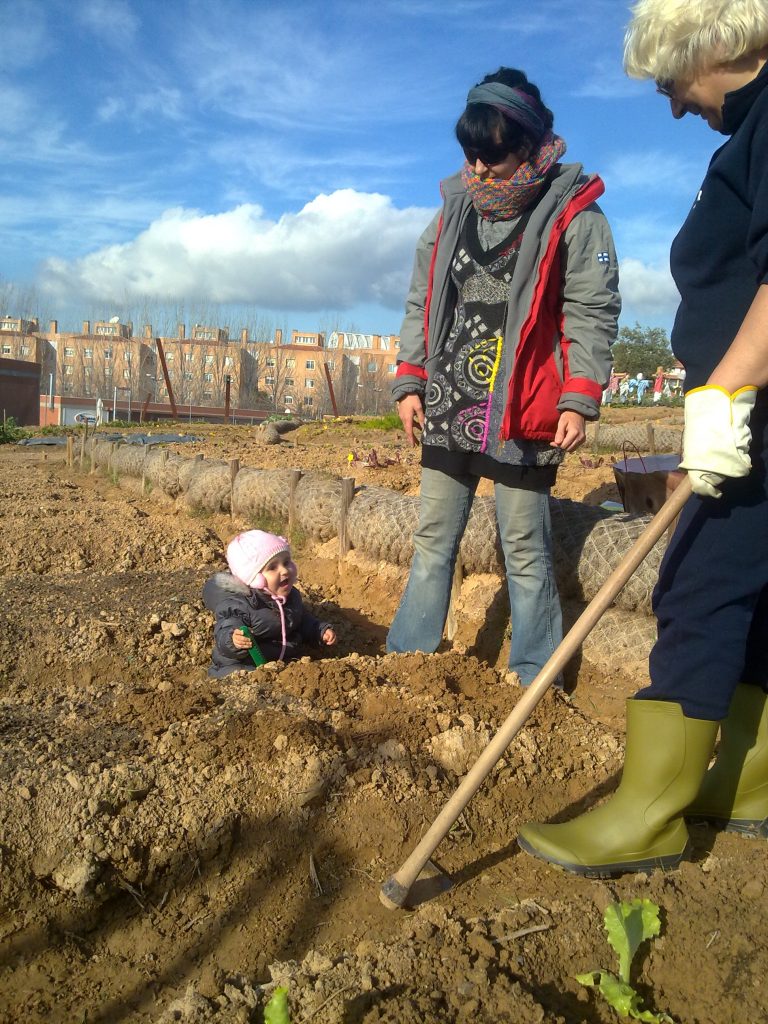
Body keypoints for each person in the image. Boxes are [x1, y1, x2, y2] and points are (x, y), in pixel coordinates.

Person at [519, 0, 768, 876]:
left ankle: (649, 814)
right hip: (753, 408)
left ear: (710, 43)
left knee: (697, 586)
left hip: (755, 411)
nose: (669, 104)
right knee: (753, 595)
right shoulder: (747, 134)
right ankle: (749, 782)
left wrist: (727, 392)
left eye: (668, 81)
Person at [386, 67, 620, 685]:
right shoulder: (454, 210)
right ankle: (407, 666)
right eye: (471, 158)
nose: (481, 172)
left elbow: (591, 312)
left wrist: (580, 394)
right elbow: (423, 300)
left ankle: (533, 680)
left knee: (526, 550)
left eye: (494, 159)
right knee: (433, 540)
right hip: (450, 398)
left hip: (524, 408)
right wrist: (411, 379)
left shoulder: (573, 213)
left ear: (532, 145)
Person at [203, 530, 337, 677]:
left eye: (286, 562)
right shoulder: (240, 605)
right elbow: (225, 627)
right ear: (255, 578)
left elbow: (301, 618)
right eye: (272, 567)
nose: (285, 570)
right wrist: (233, 640)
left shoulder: (291, 596)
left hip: (281, 658)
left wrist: (319, 630)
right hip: (244, 662)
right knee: (241, 676)